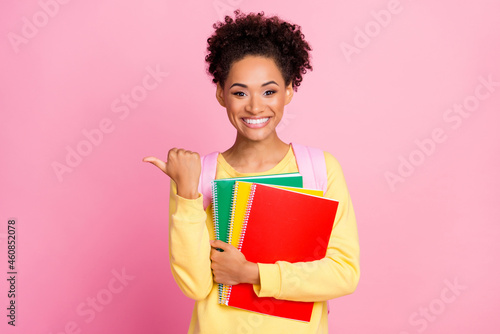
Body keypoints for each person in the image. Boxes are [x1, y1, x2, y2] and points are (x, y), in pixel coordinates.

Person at [143, 9, 360, 333]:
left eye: (269, 91)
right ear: (221, 94)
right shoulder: (201, 175)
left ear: (288, 91)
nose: (255, 106)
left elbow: (344, 273)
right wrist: (187, 195)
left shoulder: (319, 169)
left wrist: (254, 273)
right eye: (240, 92)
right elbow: (195, 286)